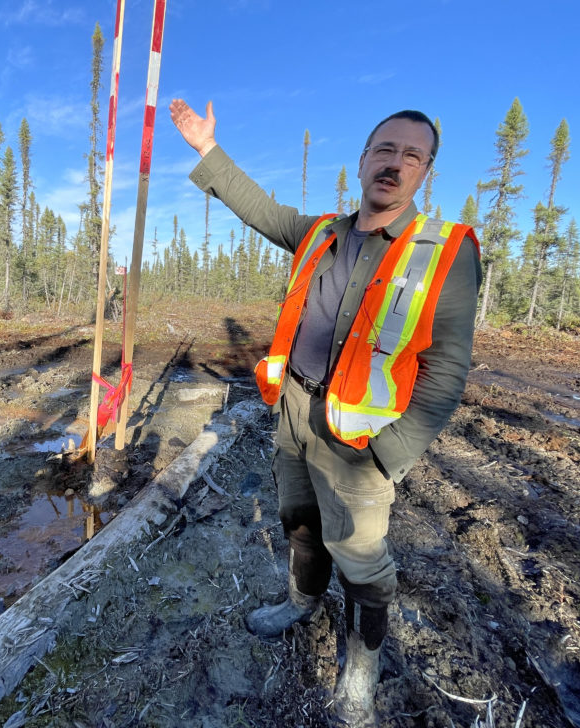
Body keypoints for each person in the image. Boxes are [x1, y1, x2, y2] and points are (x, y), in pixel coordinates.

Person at [170, 99, 481, 726]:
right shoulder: (320, 234)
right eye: (385, 151)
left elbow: (447, 367)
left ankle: (361, 670)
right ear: (363, 161)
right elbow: (260, 209)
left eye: (412, 156)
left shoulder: (444, 252)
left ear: (426, 173)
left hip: (363, 442)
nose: (395, 164)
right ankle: (302, 601)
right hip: (293, 411)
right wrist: (207, 149)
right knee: (299, 522)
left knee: (363, 561)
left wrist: (395, 450)